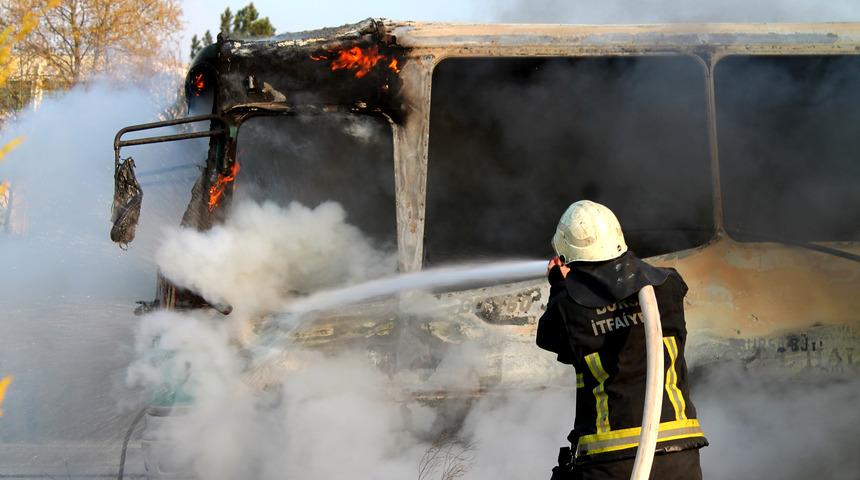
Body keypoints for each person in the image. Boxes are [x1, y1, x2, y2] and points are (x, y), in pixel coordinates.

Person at [537, 200, 708, 480]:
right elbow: (624, 282)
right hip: (681, 455)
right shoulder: (667, 286)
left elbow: (550, 338)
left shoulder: (571, 305)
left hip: (612, 461)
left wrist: (559, 284)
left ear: (568, 253)